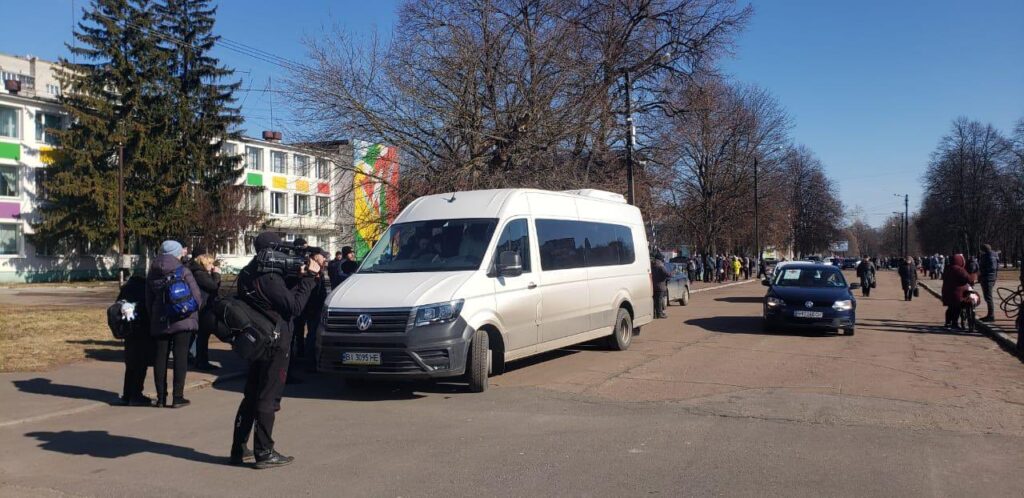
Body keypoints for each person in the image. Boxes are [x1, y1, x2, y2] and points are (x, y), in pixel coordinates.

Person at [231, 231, 321, 469]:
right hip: (274, 340)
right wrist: (309, 278)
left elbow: (276, 298)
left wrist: (295, 276)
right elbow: (294, 306)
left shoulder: (249, 271)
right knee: (268, 396)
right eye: (280, 249)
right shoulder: (269, 277)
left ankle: (239, 448)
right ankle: (264, 452)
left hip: (257, 339)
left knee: (252, 394)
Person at [146, 240, 202, 408]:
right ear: (176, 253)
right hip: (183, 318)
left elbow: (148, 300)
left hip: (161, 320)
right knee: (180, 357)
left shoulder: (152, 272)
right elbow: (197, 297)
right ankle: (178, 397)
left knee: (160, 358)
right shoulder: (183, 270)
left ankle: (161, 398)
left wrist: (154, 316)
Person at [116, 273, 156, 406]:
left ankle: (127, 394)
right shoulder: (144, 289)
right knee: (141, 364)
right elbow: (149, 308)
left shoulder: (126, 289)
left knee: (130, 365)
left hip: (128, 330)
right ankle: (136, 395)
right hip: (142, 329)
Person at [188, 248, 221, 371]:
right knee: (202, 335)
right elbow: (213, 286)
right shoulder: (199, 273)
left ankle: (200, 359)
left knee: (201, 335)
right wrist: (216, 274)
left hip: (202, 306)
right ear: (205, 262)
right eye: (210, 263)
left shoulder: (198, 272)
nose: (212, 266)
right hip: (202, 307)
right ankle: (201, 361)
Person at [941, 254, 974, 330]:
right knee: (957, 308)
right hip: (957, 293)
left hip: (947, 292)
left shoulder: (947, 268)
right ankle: (954, 323)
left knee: (950, 308)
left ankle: (948, 322)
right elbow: (968, 279)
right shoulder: (959, 269)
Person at [979, 244, 998, 322]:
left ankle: (991, 315)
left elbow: (990, 268)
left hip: (987, 278)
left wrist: (982, 274)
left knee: (988, 297)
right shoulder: (993, 255)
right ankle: (990, 315)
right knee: (988, 297)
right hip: (991, 278)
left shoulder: (988, 257)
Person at [651, 252, 670, 319]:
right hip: (660, 286)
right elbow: (667, 274)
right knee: (659, 301)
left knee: (655, 301)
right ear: (660, 259)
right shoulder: (661, 266)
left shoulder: (652, 265)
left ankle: (654, 314)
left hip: (653, 286)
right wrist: (672, 273)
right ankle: (660, 314)